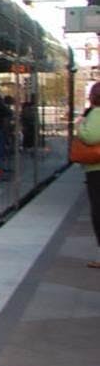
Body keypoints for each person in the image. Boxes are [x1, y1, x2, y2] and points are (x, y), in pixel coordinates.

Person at [78, 82, 100, 268]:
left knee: (98, 211)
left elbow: (90, 136)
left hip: (97, 169)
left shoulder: (97, 113)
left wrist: (80, 126)